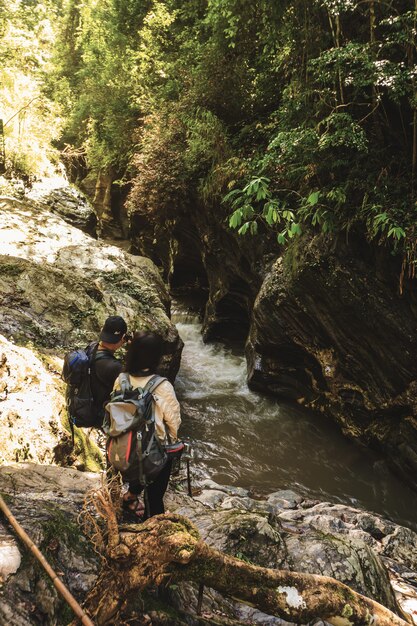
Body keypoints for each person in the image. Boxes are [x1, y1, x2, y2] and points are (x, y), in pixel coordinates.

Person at [116, 331, 181, 520]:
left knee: (138, 463)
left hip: (123, 446)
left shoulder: (121, 380)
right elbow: (174, 424)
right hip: (152, 453)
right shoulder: (162, 386)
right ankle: (153, 524)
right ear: (156, 357)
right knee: (155, 496)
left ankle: (131, 493)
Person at [90, 315, 128, 427]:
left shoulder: (91, 347)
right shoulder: (114, 367)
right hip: (100, 418)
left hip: (86, 406)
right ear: (123, 338)